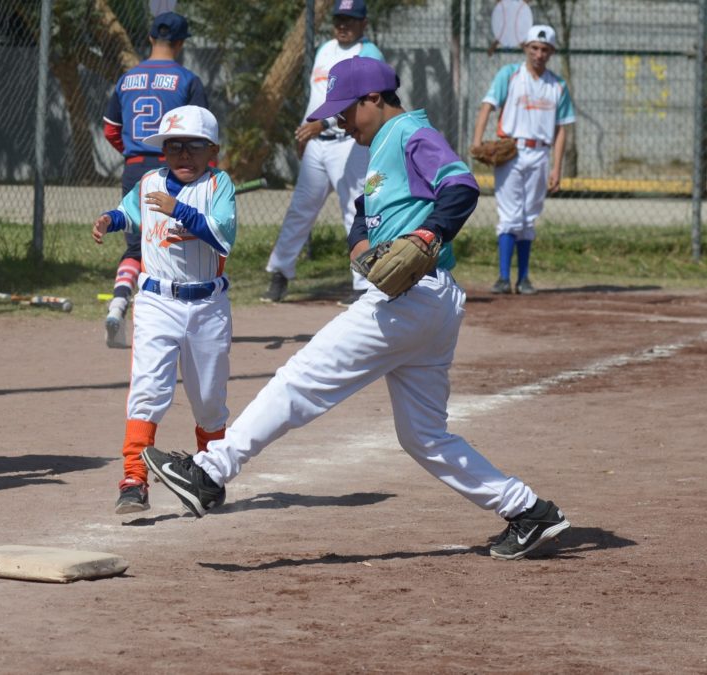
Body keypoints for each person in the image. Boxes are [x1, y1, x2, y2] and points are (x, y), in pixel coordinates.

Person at [142, 58, 571, 562]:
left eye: (345, 110)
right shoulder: (376, 152)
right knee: (424, 436)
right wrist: (361, 247)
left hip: (412, 298)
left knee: (299, 378)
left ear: (373, 99)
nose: (339, 121)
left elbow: (461, 186)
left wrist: (427, 234)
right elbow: (362, 220)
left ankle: (210, 473)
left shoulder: (412, 133)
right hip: (422, 304)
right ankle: (529, 512)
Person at [92, 105, 236, 515]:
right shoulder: (150, 180)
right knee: (148, 392)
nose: (183, 155)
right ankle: (134, 480)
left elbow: (223, 234)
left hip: (207, 304)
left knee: (209, 401)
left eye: (194, 146)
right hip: (157, 302)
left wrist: (182, 211)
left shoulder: (219, 185)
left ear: (212, 150)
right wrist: (110, 219)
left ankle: (208, 475)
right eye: (174, 147)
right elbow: (131, 212)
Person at [261, 0, 383, 306]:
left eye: (350, 20)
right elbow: (317, 97)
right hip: (317, 143)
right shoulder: (325, 49)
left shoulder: (368, 53)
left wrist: (323, 123)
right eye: (339, 19)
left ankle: (363, 284)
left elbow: (359, 99)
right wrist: (305, 131)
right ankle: (280, 274)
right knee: (301, 209)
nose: (343, 26)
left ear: (363, 24)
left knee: (356, 212)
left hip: (349, 143)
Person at [101, 11, 206, 349]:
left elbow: (110, 130)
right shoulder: (187, 80)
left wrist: (132, 153)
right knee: (177, 239)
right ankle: (175, 318)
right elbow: (199, 133)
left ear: (149, 39)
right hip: (173, 167)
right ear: (181, 43)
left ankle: (119, 301)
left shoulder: (126, 79)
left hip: (134, 167)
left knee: (135, 245)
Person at [470, 24, 575, 295]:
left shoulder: (557, 85)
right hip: (511, 151)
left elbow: (562, 128)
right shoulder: (510, 75)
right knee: (509, 215)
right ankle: (504, 278)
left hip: (540, 152)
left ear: (551, 52)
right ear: (525, 48)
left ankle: (524, 278)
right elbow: (488, 105)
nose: (539, 54)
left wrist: (557, 167)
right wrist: (477, 141)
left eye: (544, 49)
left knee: (529, 217)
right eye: (534, 48)